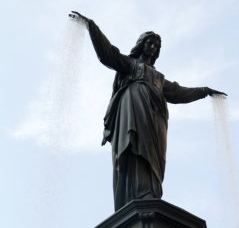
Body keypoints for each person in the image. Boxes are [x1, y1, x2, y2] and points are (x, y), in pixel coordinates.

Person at [69, 11, 227, 211]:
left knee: (153, 157)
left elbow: (179, 93)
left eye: (156, 45)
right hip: (133, 113)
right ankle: (134, 196)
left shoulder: (159, 78)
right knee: (134, 150)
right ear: (141, 44)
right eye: (150, 43)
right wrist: (91, 26)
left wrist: (204, 91)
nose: (153, 47)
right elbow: (108, 54)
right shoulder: (130, 64)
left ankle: (150, 193)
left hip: (156, 121)